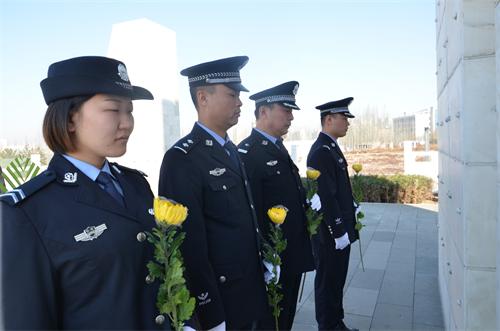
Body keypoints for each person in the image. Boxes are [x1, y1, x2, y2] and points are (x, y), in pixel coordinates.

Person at [0, 56, 170, 330]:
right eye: (113, 110)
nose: (126, 123)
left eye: (130, 111)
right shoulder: (29, 211)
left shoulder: (135, 185)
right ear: (70, 119)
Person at [158, 56, 268, 331]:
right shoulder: (183, 159)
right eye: (232, 94)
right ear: (203, 97)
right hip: (221, 298)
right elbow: (189, 245)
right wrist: (209, 311)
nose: (240, 102)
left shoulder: (230, 150)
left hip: (248, 288)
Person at [237, 81, 315, 330]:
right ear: (263, 112)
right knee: (270, 322)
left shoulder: (277, 148)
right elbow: (249, 212)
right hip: (272, 261)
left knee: (285, 319)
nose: (291, 117)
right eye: (286, 109)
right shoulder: (247, 154)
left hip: (290, 255)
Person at [306, 97, 359, 331]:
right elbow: (325, 196)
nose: (347, 123)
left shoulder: (330, 148)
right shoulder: (320, 151)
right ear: (328, 120)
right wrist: (338, 231)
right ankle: (328, 326)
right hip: (330, 234)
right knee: (328, 282)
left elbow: (339, 188)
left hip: (341, 230)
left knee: (337, 282)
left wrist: (353, 205)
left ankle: (337, 324)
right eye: (343, 118)